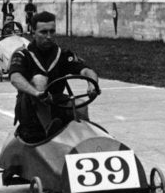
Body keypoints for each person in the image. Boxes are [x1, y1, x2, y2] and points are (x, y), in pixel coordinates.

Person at [8, 11, 99, 143]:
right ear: (33, 32)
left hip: (56, 101)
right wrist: (37, 93)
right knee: (39, 79)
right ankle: (49, 129)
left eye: (52, 31)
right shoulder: (23, 55)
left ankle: (85, 141)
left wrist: (92, 85)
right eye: (44, 32)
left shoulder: (62, 54)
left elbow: (87, 71)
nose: (49, 36)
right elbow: (15, 77)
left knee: (80, 106)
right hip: (30, 107)